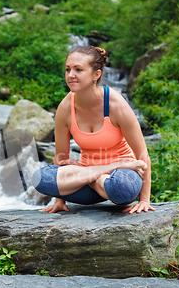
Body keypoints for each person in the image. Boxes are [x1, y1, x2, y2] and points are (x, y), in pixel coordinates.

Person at [31, 45, 155, 214]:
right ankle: (98, 176)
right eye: (68, 69)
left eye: (78, 69)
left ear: (96, 74)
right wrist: (59, 200)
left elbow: (142, 156)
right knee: (40, 178)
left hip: (120, 176)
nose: (71, 75)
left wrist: (144, 200)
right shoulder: (65, 108)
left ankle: (97, 176)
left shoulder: (115, 104)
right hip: (87, 182)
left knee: (122, 188)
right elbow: (60, 159)